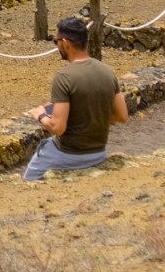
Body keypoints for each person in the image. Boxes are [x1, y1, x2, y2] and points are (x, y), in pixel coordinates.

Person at [23, 16, 128, 181]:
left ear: (65, 43)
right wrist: (85, 115)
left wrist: (41, 115)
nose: (57, 46)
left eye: (56, 41)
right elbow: (122, 116)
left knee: (28, 180)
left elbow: (58, 128)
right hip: (98, 153)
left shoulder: (64, 77)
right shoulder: (107, 71)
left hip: (68, 154)